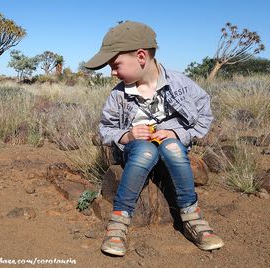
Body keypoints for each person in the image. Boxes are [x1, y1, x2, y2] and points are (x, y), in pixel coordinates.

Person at [84, 21, 224, 256]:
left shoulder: (181, 84)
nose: (112, 72)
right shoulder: (119, 95)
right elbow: (105, 130)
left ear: (140, 57)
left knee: (173, 148)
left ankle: (191, 216)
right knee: (145, 151)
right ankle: (119, 219)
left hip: (172, 148)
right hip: (138, 152)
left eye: (116, 65)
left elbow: (204, 115)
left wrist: (178, 133)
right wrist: (127, 135)